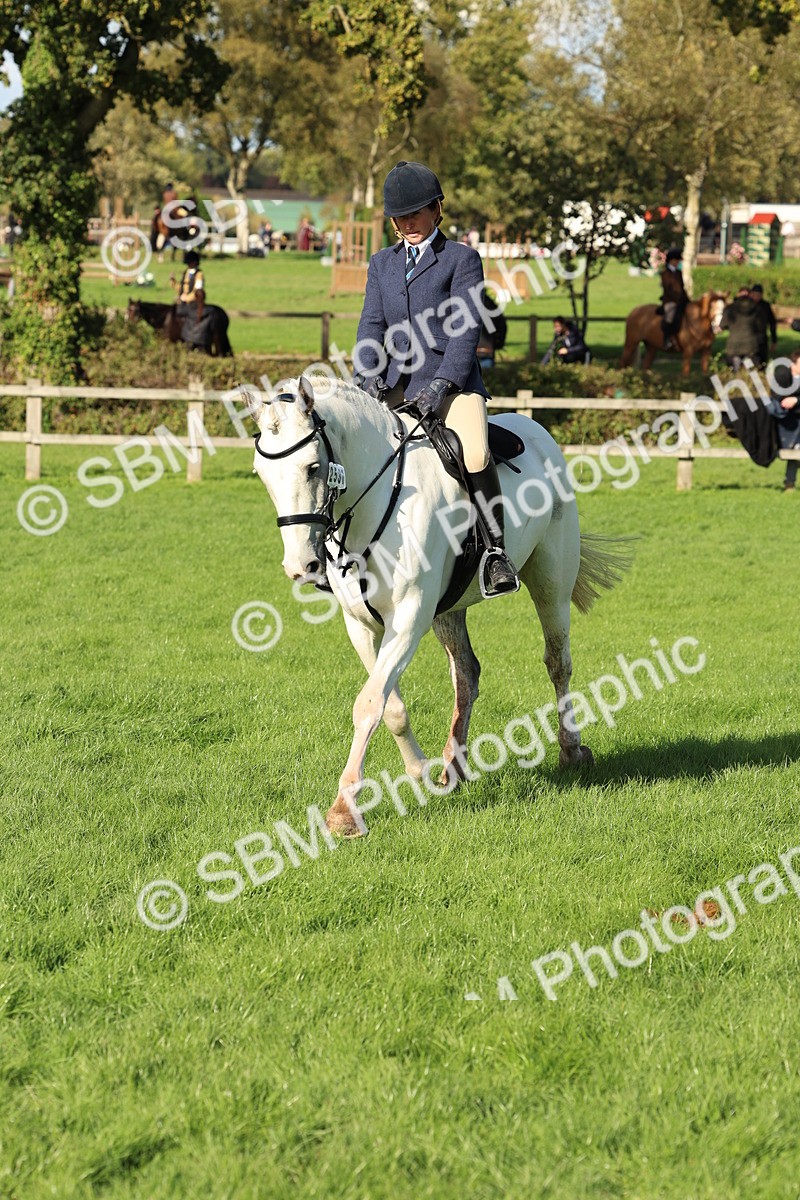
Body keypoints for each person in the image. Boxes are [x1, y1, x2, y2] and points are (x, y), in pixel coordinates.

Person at [353, 159, 518, 597]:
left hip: (453, 385)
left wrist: (444, 383)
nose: (407, 223)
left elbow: (466, 331)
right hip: (395, 386)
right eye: (399, 216)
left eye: (416, 213)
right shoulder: (382, 264)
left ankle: (495, 553)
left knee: (477, 453)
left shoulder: (462, 259)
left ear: (437, 210)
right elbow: (371, 325)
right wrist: (367, 376)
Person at [769, 348, 800, 490]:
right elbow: (779, 401)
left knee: (797, 449)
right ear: (793, 364)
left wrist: (796, 400)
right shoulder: (782, 375)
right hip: (783, 421)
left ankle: (789, 483)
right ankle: (789, 483)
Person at [172, 250, 215, 350]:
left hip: (194, 303)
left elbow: (197, 290)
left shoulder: (199, 274)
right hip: (182, 302)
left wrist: (186, 298)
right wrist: (174, 283)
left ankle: (191, 339)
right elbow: (182, 288)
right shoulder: (185, 273)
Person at [721, 286, 761, 370]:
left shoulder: (730, 308)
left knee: (736, 368)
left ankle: (736, 377)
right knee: (749, 370)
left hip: (734, 344)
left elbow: (723, 325)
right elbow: (760, 326)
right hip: (750, 344)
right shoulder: (757, 309)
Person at [660, 247, 689, 351]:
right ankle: (667, 339)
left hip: (680, 300)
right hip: (670, 301)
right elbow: (668, 289)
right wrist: (677, 299)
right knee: (670, 317)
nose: (678, 263)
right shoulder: (665, 273)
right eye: (677, 261)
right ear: (672, 260)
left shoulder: (678, 273)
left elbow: (682, 287)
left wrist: (686, 298)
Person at [476, 290, 507, 369]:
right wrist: (499, 343)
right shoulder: (491, 305)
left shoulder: (465, 304)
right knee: (488, 379)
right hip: (488, 350)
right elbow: (502, 326)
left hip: (468, 352)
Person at [750, 283, 777, 367]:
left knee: (762, 361)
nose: (756, 297)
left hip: (762, 337)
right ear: (751, 294)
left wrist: (774, 340)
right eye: (755, 295)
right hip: (748, 338)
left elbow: (772, 323)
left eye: (759, 295)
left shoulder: (765, 305)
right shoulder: (747, 305)